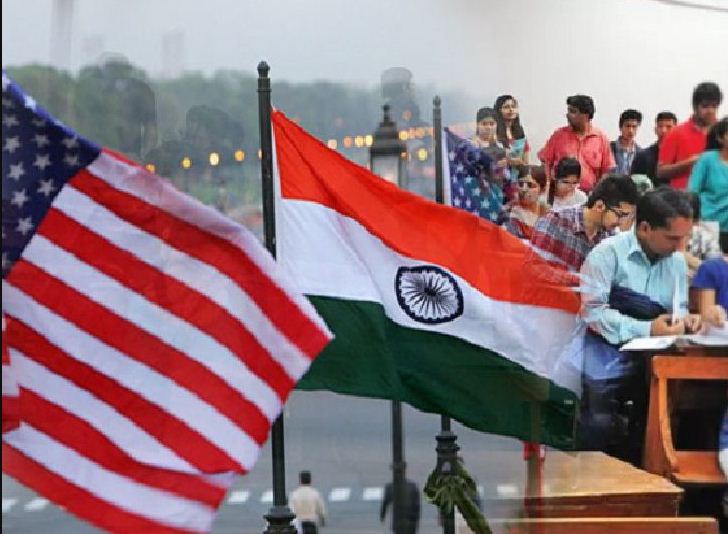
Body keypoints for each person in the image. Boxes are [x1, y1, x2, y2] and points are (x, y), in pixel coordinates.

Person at [528, 174, 639, 285]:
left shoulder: (609, 240)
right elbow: (534, 271)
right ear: (599, 206)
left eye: (626, 216)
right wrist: (584, 281)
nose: (621, 222)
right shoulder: (554, 222)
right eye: (620, 215)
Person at [538, 94, 615, 193]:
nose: (568, 115)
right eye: (568, 111)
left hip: (589, 194)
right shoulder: (559, 135)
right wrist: (548, 185)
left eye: (573, 111)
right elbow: (545, 162)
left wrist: (597, 192)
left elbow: (607, 171)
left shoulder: (600, 139)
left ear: (586, 115)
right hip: (560, 195)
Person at [657, 81, 722, 189]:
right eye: (705, 106)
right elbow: (661, 172)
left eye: (714, 107)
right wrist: (689, 163)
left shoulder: (723, 133)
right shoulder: (676, 133)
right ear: (695, 107)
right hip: (683, 197)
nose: (710, 111)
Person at [689, 116, 728, 252]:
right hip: (708, 223)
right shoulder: (707, 159)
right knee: (706, 262)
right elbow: (692, 191)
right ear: (720, 138)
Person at [501, 165, 549, 239]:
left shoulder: (548, 215)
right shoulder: (508, 213)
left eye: (530, 185)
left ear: (543, 190)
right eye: (521, 184)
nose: (524, 189)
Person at [631, 111, 678, 184]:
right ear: (655, 129)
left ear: (676, 130)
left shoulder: (682, 157)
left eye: (668, 127)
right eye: (660, 126)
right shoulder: (642, 156)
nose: (664, 130)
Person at [684, 192, 722, 281]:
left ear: (695, 220)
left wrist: (688, 258)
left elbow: (716, 272)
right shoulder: (662, 237)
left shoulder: (705, 238)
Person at [494, 94, 530, 175]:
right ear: (499, 110)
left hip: (518, 177)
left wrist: (519, 163)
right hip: (500, 177)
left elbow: (526, 164)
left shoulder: (521, 135)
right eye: (506, 107)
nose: (511, 110)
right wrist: (507, 161)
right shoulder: (494, 134)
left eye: (513, 107)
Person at [611, 109, 642, 175]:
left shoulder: (640, 154)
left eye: (634, 127)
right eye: (628, 126)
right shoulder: (609, 149)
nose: (630, 130)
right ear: (620, 127)